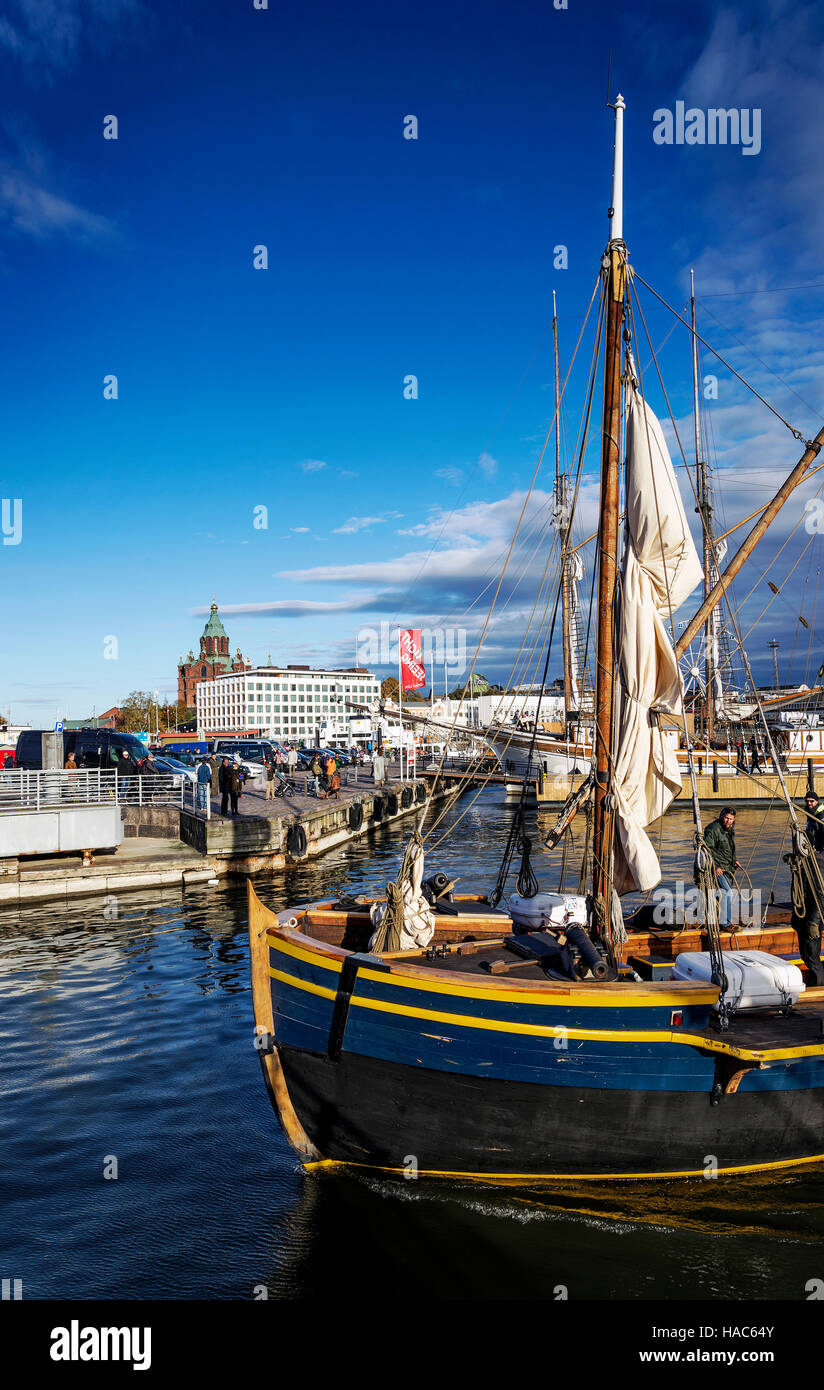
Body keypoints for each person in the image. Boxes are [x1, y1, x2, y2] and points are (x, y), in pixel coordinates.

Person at [704, 806, 741, 928]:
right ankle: (726, 923)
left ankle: (705, 908)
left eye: (731, 819)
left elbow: (729, 848)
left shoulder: (730, 829)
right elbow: (707, 849)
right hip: (717, 868)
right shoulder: (713, 829)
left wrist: (734, 861)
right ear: (721, 817)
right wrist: (715, 866)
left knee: (725, 894)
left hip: (727, 867)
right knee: (727, 893)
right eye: (726, 818)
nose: (728, 821)